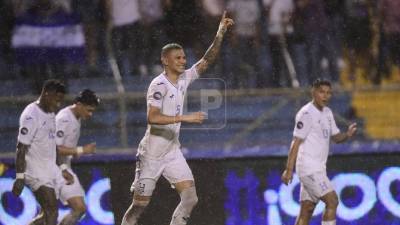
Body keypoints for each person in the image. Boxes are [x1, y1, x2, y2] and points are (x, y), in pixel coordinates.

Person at [121, 11, 234, 225]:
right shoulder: (158, 84)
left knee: (190, 198)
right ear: (165, 60)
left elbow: (206, 60)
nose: (183, 61)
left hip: (172, 151)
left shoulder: (184, 78)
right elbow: (152, 117)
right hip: (152, 154)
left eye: (184, 57)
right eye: (178, 58)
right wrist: (185, 117)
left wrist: (220, 33)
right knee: (138, 207)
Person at [281, 79, 357, 225]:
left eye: (328, 93)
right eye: (322, 92)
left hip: (318, 169)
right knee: (332, 201)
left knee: (307, 208)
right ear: (313, 92)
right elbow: (295, 143)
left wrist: (347, 135)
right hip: (309, 169)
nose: (325, 96)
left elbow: (335, 137)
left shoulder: (327, 113)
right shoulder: (306, 113)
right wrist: (288, 169)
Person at [12, 79, 74, 225]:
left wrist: (63, 168)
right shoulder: (31, 115)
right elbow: (21, 148)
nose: (58, 105)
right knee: (52, 210)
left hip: (49, 169)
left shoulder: (50, 113)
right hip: (35, 170)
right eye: (56, 100)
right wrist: (20, 177)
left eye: (61, 101)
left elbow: (53, 145)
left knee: (45, 215)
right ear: (47, 94)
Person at [56, 89, 100, 225]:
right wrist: (82, 150)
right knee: (77, 208)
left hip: (62, 166)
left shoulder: (76, 117)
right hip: (52, 168)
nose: (90, 114)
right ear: (79, 104)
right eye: (88, 110)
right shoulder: (64, 118)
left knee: (79, 209)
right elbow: (54, 149)